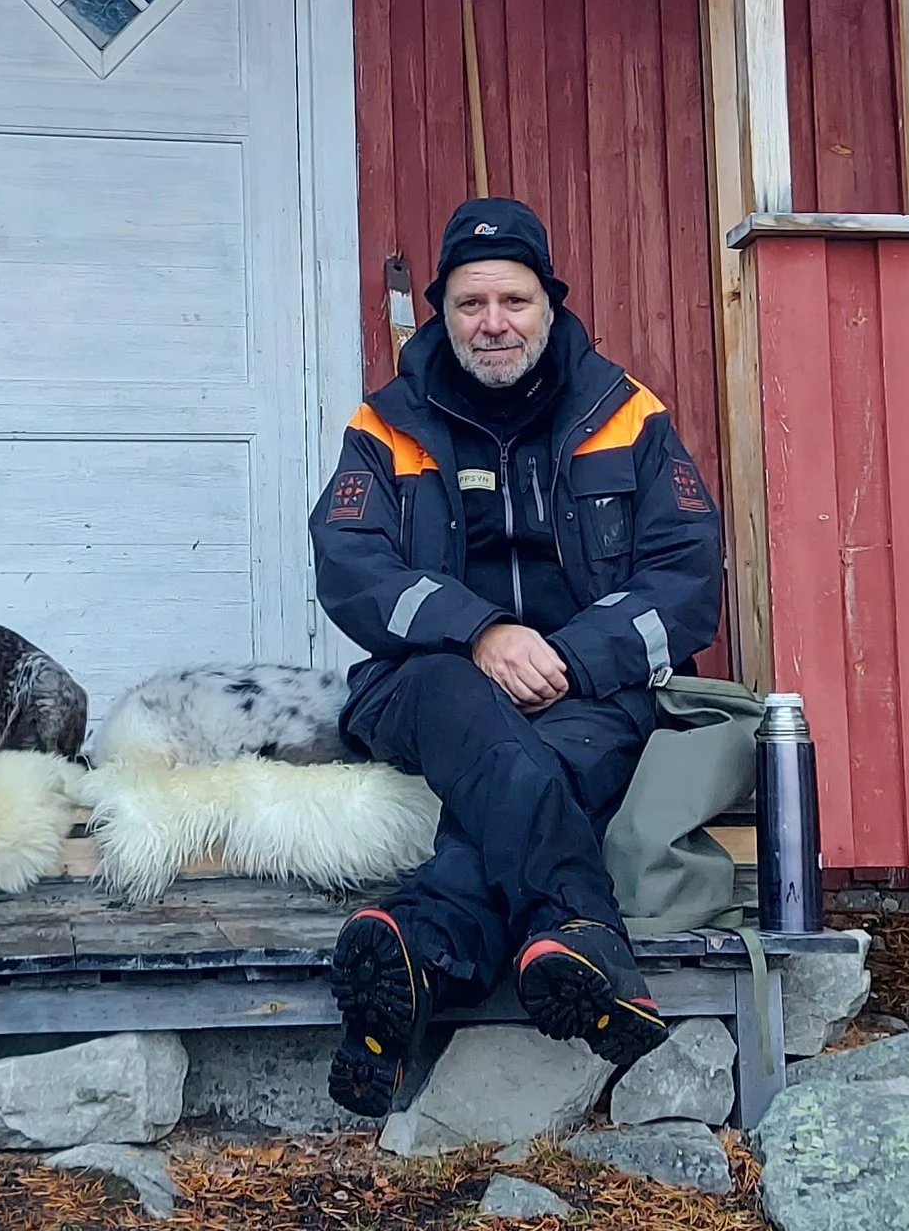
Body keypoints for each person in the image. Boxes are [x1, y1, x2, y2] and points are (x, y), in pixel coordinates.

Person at [308, 197, 724, 1118]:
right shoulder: (386, 424)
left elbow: (689, 578)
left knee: (551, 756)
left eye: (513, 300)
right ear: (442, 312)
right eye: (470, 303)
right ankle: (577, 922)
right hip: (428, 682)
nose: (492, 322)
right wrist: (480, 633)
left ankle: (423, 945)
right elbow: (350, 566)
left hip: (591, 688)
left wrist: (568, 656)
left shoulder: (627, 414)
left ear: (549, 303)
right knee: (466, 702)